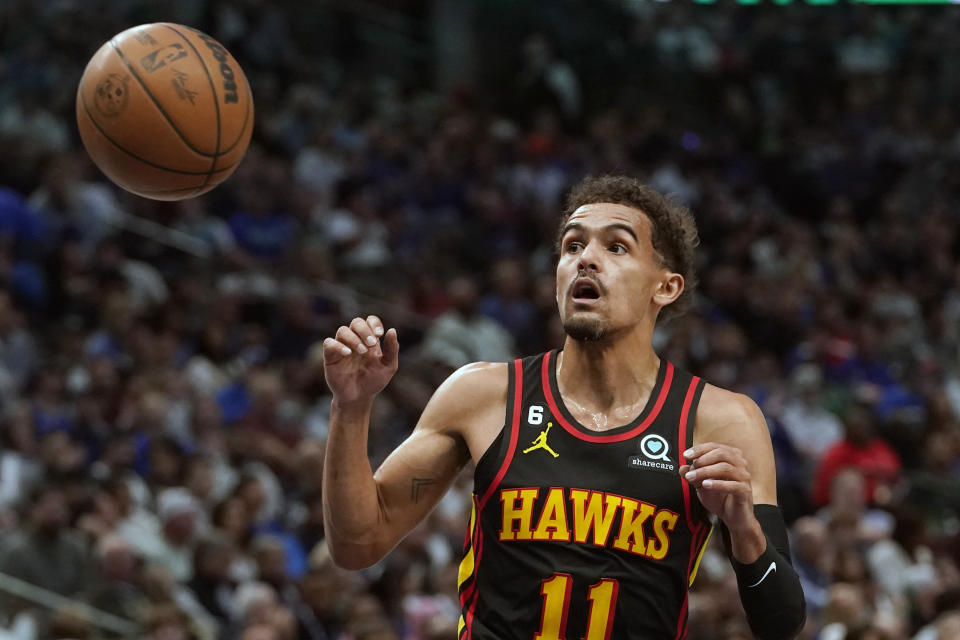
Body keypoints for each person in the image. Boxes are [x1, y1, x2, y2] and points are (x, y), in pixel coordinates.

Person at [321, 176, 805, 639]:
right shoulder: (484, 394)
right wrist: (352, 409)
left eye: (616, 247)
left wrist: (744, 529)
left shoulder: (720, 420)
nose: (585, 259)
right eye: (573, 246)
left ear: (666, 286)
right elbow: (357, 544)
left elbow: (780, 622)